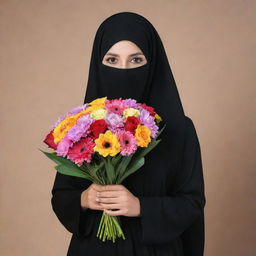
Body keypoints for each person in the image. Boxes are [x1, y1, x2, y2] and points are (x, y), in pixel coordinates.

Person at [51, 11, 206, 256]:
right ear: (98, 64)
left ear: (152, 64)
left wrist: (140, 207)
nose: (123, 69)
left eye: (136, 60)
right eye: (112, 60)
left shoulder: (180, 130)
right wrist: (85, 199)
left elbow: (192, 203)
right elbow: (60, 196)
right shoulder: (82, 126)